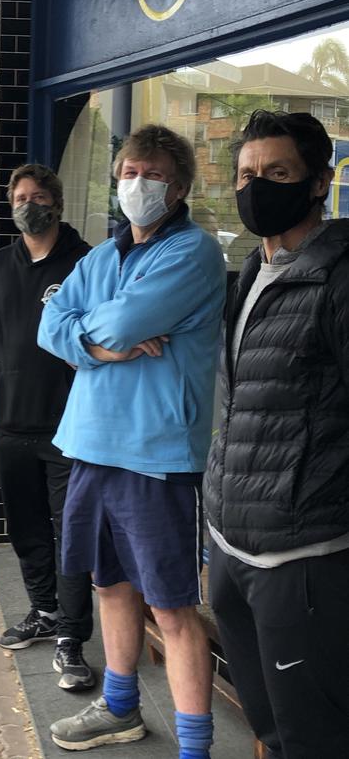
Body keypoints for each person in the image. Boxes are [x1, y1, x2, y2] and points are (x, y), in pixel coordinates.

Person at [38, 125, 226, 758]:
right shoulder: (102, 255)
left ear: (178, 187)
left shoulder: (192, 253)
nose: (135, 183)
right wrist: (100, 348)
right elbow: (50, 324)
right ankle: (120, 708)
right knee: (110, 585)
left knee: (172, 609)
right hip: (90, 444)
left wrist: (99, 330)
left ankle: (194, 748)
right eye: (126, 171)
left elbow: (120, 319)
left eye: (150, 173)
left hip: (156, 454)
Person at [204, 110, 349, 759]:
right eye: (246, 173)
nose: (257, 185)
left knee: (314, 739)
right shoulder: (248, 272)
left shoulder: (339, 277)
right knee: (268, 730)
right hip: (231, 549)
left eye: (278, 172)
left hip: (303, 562)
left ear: (319, 182)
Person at [0, 163, 95, 691]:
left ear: (57, 203)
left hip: (70, 427)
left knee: (71, 536)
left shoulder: (86, 263)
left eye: (38, 195)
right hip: (10, 424)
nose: (27, 204)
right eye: (19, 196)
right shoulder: (0, 264)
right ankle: (43, 612)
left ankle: (72, 638)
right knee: (26, 528)